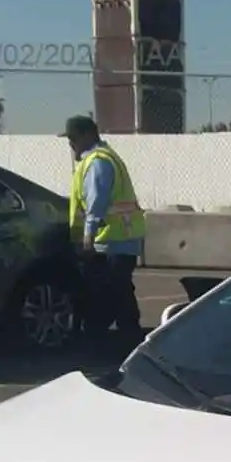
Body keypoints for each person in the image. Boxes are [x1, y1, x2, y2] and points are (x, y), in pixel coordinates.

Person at [61, 114, 145, 346]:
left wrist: (87, 236)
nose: (71, 144)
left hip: (110, 240)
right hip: (120, 239)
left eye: (74, 138)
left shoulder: (97, 162)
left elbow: (96, 202)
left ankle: (116, 340)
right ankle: (121, 338)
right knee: (117, 291)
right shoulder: (104, 158)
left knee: (113, 291)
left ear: (88, 136)